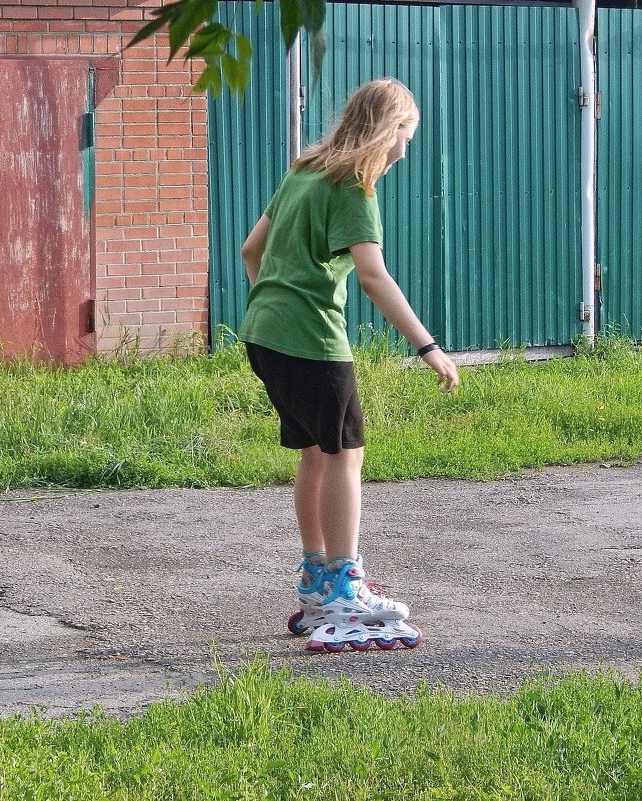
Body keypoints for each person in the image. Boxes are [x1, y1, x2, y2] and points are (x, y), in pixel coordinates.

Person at [238, 78, 459, 652]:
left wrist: (274, 305)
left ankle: (317, 577)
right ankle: (341, 586)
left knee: (317, 451)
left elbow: (250, 251)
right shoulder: (351, 187)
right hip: (311, 340)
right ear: (387, 133)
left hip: (264, 334)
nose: (405, 152)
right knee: (345, 455)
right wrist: (427, 346)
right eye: (404, 137)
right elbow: (372, 276)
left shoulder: (304, 170)